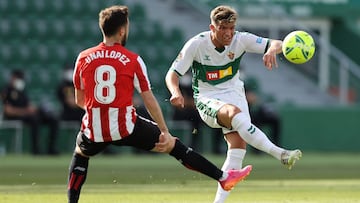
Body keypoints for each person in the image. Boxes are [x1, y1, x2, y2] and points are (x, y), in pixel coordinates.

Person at [67, 5, 252, 203]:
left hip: (95, 128)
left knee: (80, 154)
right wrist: (164, 130)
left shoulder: (83, 57)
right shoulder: (132, 60)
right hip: (126, 126)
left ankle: (72, 201)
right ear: (122, 30)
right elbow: (149, 99)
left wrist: (101, 114)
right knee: (173, 146)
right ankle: (222, 177)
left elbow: (80, 100)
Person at [165, 5, 302, 203]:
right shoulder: (196, 44)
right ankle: (280, 153)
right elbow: (172, 74)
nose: (228, 33)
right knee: (234, 113)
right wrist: (175, 92)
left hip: (234, 93)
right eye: (223, 28)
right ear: (212, 28)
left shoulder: (240, 39)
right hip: (207, 97)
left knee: (238, 147)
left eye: (232, 28)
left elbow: (277, 43)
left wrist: (272, 49)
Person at [1, 69, 59, 155]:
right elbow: (8, 111)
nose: (20, 81)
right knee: (35, 119)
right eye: (18, 78)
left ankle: (51, 148)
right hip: (15, 116)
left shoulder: (22, 91)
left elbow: (28, 105)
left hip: (26, 115)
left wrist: (34, 109)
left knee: (52, 119)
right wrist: (25, 111)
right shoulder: (6, 90)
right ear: (12, 78)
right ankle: (36, 149)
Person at [245, 78, 282, 154]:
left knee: (275, 119)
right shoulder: (239, 87)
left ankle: (275, 146)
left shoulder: (254, 90)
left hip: (256, 114)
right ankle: (256, 150)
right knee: (255, 123)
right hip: (244, 115)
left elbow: (257, 102)